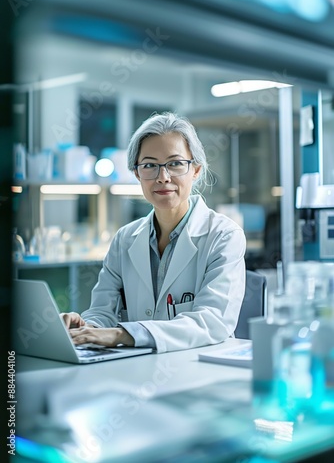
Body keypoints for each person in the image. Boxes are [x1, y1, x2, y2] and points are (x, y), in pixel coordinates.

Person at [61, 112, 246, 353]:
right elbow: (102, 310)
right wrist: (87, 327)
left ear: (196, 170)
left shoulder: (224, 235)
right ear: (137, 173)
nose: (163, 177)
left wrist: (123, 334)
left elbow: (213, 321)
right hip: (138, 369)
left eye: (175, 163)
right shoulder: (125, 239)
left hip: (200, 368)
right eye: (149, 165)